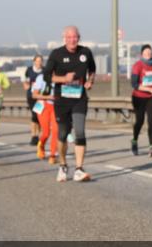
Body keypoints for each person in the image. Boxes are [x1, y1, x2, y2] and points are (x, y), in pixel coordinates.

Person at [43, 25, 97, 182]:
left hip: (79, 98)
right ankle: (63, 164)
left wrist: (90, 81)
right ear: (64, 38)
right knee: (62, 134)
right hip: (62, 100)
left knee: (80, 131)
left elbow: (92, 70)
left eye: (75, 37)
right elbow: (47, 76)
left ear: (78, 38)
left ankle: (79, 169)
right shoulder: (57, 54)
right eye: (69, 37)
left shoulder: (85, 52)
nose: (72, 40)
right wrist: (63, 79)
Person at [130, 45, 152, 157]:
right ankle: (134, 140)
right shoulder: (137, 66)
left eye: (150, 52)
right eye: (146, 52)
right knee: (140, 121)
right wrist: (148, 89)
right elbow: (134, 84)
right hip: (139, 97)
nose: (148, 54)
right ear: (142, 54)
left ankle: (151, 146)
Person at [31, 68, 58, 164]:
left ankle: (53, 155)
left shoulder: (61, 78)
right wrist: (48, 97)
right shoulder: (41, 78)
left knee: (56, 130)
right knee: (46, 132)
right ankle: (41, 145)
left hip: (55, 106)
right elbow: (34, 95)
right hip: (42, 105)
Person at [24, 55, 45, 146]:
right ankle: (34, 136)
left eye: (40, 61)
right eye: (37, 61)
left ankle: (38, 135)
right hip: (31, 96)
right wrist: (26, 85)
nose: (39, 63)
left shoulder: (44, 71)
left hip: (41, 97)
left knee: (39, 116)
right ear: (34, 61)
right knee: (34, 115)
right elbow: (26, 81)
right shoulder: (29, 70)